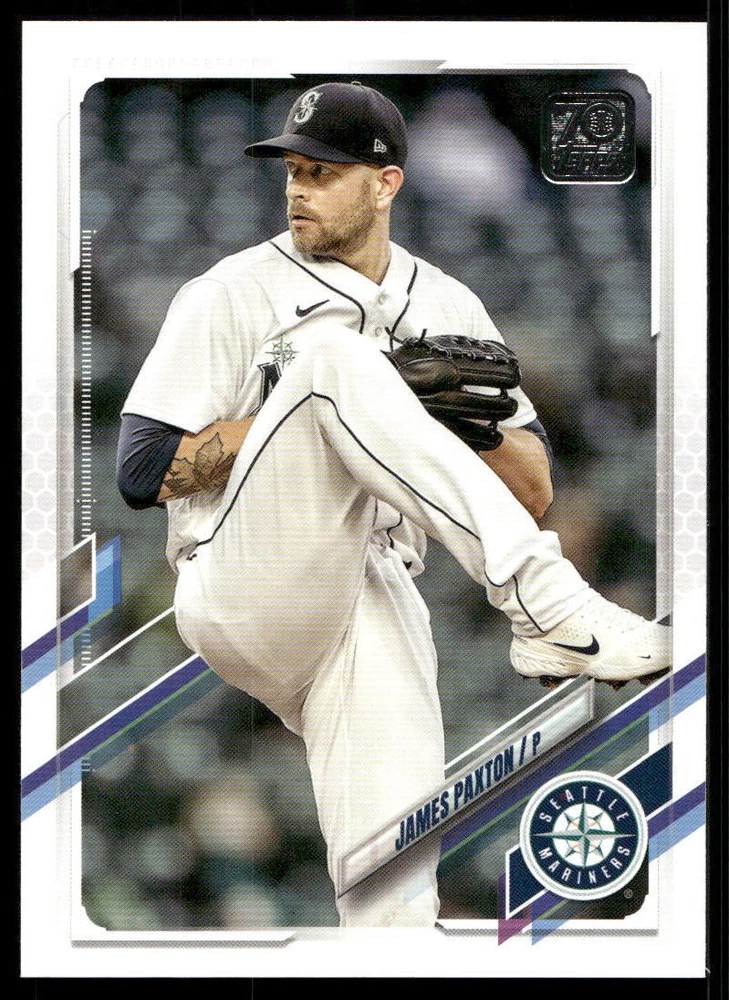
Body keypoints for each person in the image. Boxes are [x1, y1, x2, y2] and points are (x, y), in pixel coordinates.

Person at [116, 81, 669, 927]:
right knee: (332, 362)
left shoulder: (448, 302)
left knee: (395, 895)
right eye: (293, 171)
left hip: (375, 592)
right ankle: (547, 606)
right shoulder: (232, 291)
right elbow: (143, 469)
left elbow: (531, 489)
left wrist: (462, 423)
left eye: (324, 172)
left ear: (385, 184)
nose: (299, 188)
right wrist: (314, 405)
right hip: (243, 570)